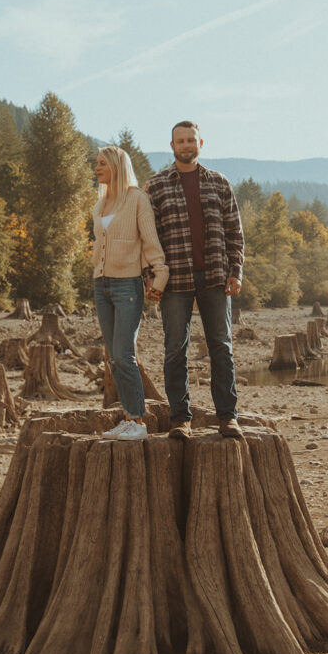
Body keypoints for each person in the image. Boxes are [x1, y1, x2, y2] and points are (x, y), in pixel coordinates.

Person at [145, 121, 244, 439]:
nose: (186, 145)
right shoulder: (156, 186)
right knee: (175, 349)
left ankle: (227, 417)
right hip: (175, 282)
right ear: (171, 146)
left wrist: (236, 271)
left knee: (222, 347)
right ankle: (180, 420)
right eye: (180, 141)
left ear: (201, 142)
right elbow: (149, 238)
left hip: (216, 277)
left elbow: (234, 232)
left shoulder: (219, 182)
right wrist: (152, 278)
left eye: (191, 140)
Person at [93, 145, 169, 440]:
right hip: (102, 285)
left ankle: (138, 422)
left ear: (116, 167)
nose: (96, 168)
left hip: (127, 286)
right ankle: (128, 418)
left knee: (125, 355)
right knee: (113, 358)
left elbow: (150, 241)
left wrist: (159, 276)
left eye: (102, 163)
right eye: (96, 163)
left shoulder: (138, 199)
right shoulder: (100, 205)